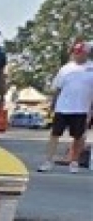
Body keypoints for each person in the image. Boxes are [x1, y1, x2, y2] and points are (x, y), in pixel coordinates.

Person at [37, 41, 93, 173]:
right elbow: (57, 88)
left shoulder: (91, 68)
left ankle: (74, 162)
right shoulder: (65, 69)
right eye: (75, 53)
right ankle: (48, 161)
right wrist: (52, 105)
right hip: (63, 107)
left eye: (80, 53)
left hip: (81, 109)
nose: (77, 55)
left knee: (78, 137)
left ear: (87, 53)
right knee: (55, 134)